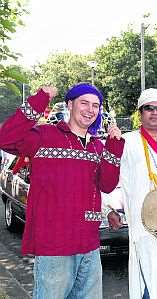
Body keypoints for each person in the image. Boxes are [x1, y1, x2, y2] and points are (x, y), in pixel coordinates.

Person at [0, 83, 124, 299]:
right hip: (54, 245)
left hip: (89, 244)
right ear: (70, 104)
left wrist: (114, 147)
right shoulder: (45, 136)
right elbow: (6, 138)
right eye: (84, 103)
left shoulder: (97, 146)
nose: (90, 109)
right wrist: (41, 98)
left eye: (96, 105)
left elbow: (107, 185)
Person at [107, 88, 157, 299]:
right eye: (148, 108)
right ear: (140, 113)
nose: (154, 113)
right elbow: (112, 180)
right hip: (144, 224)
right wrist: (111, 208)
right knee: (150, 278)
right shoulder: (127, 141)